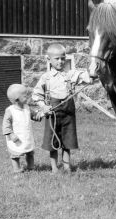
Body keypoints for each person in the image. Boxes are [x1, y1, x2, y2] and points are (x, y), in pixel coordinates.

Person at [32, 43, 91, 174]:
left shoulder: (70, 74)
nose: (60, 61)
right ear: (49, 60)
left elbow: (86, 76)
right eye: (57, 58)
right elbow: (36, 95)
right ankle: (54, 168)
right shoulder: (46, 78)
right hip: (52, 113)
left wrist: (93, 73)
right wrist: (44, 106)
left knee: (67, 141)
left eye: (63, 58)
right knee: (52, 141)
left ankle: (67, 166)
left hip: (68, 113)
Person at [2, 84, 44, 173]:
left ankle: (31, 167)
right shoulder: (10, 111)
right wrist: (10, 134)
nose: (28, 97)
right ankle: (16, 169)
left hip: (26, 136)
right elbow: (6, 125)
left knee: (30, 152)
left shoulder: (27, 107)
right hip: (16, 137)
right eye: (25, 96)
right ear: (17, 99)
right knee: (15, 154)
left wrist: (42, 114)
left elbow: (35, 116)